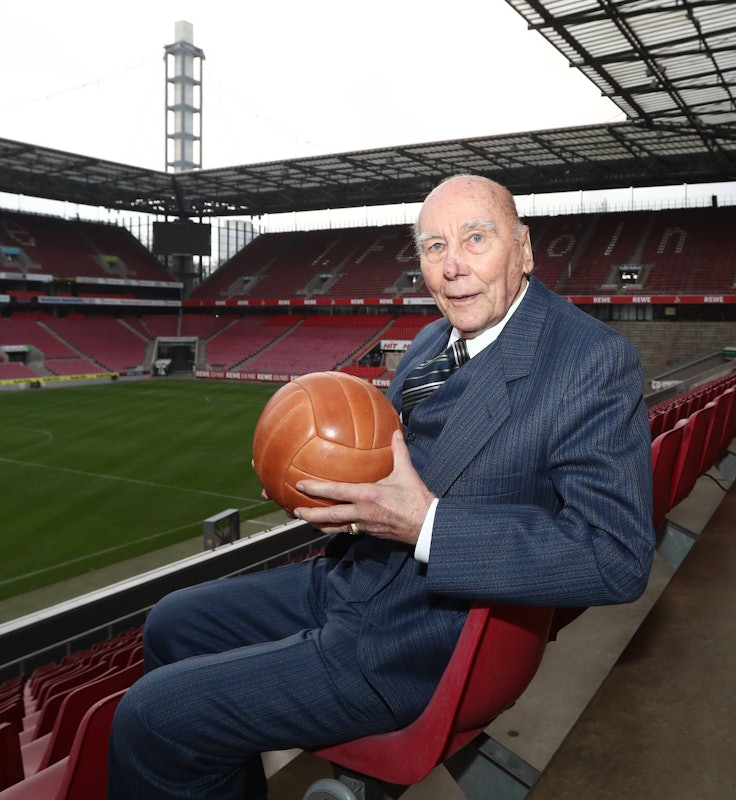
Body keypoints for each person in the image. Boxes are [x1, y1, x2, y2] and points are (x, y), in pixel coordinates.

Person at [107, 174, 655, 799]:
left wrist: (427, 525)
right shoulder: (429, 342)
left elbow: (616, 556)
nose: (452, 266)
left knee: (152, 719)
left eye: (476, 239)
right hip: (356, 577)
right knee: (170, 623)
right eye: (434, 246)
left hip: (415, 637)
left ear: (524, 249)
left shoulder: (590, 361)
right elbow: (384, 471)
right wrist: (318, 486)